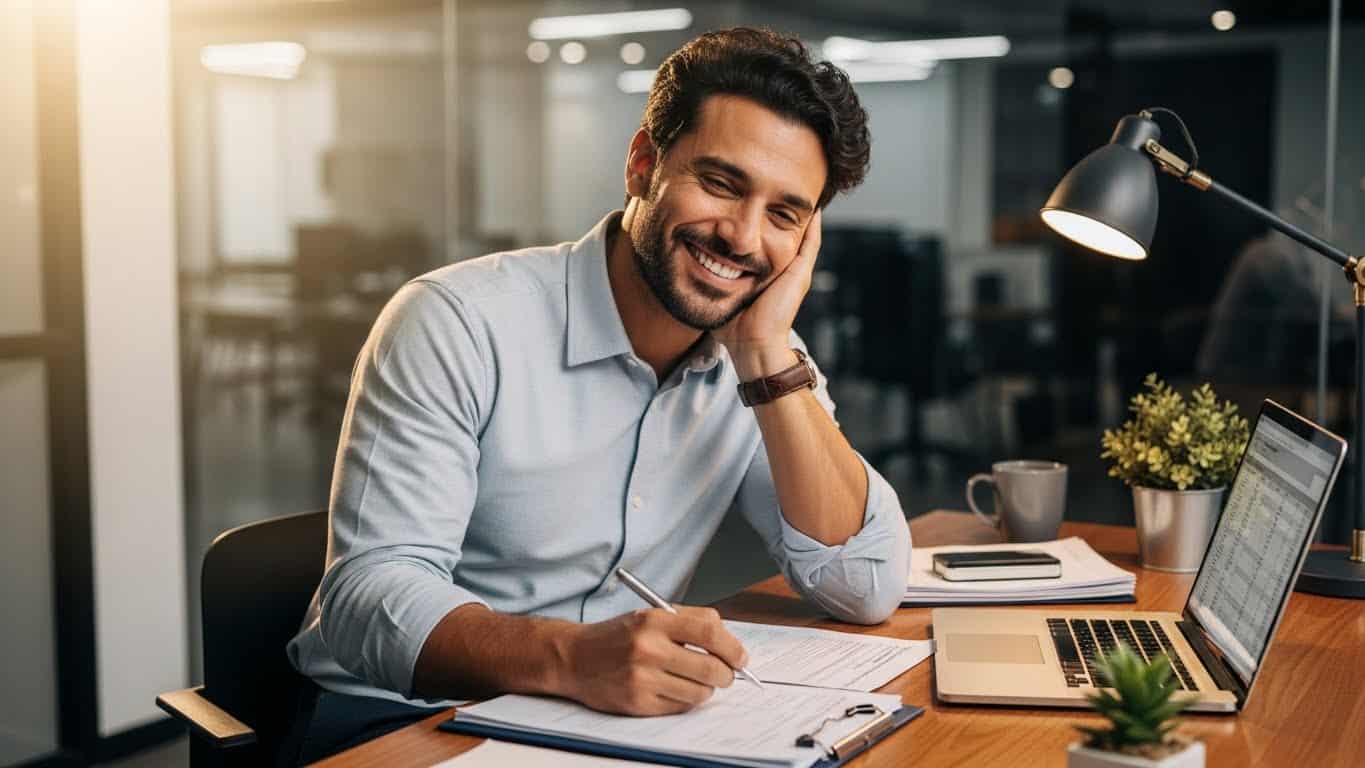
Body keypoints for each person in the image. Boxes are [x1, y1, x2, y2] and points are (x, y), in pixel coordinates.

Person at [286, 27, 911, 761]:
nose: (742, 237)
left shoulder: (763, 358)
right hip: (401, 722)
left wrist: (768, 352)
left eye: (783, 214)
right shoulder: (458, 320)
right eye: (721, 183)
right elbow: (364, 601)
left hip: (608, 723)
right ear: (643, 164)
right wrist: (572, 659)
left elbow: (860, 586)